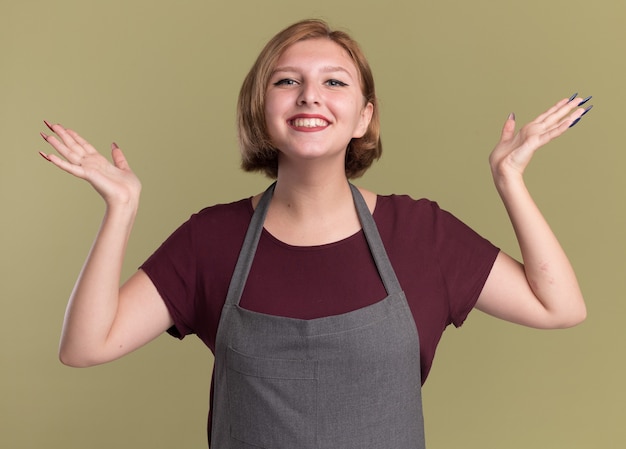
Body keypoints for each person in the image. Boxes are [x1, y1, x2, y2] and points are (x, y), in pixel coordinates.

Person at [39, 18, 589, 449]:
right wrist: (121, 208)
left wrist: (509, 179)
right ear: (263, 109)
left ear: (363, 118)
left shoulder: (420, 233)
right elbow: (84, 346)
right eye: (287, 81)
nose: (309, 96)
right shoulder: (211, 239)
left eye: (334, 82)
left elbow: (559, 306)